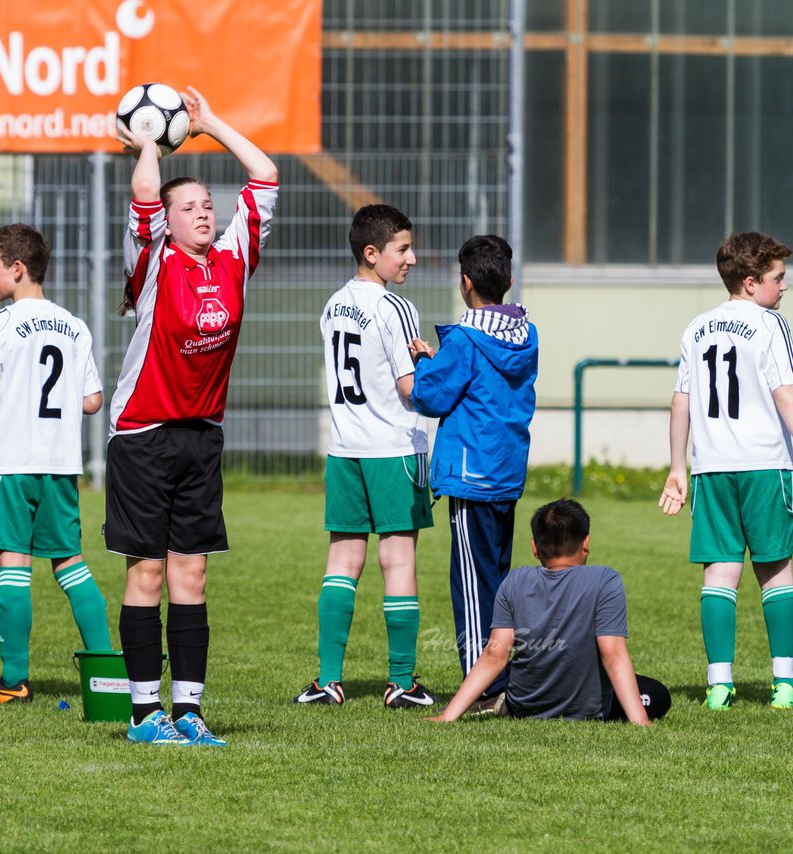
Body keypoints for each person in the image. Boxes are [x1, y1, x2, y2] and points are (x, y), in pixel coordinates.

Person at [109, 86, 277, 745]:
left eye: (209, 205)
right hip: (144, 433)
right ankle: (143, 714)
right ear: (168, 222)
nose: (204, 213)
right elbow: (144, 196)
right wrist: (149, 139)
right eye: (190, 206)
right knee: (146, 571)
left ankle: (189, 712)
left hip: (201, 436)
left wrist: (210, 125)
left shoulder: (234, 258)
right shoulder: (154, 260)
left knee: (193, 573)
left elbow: (263, 174)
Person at [659, 231, 793, 710]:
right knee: (776, 573)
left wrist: (677, 467)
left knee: (719, 576)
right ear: (750, 283)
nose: (784, 287)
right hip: (765, 464)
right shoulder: (769, 324)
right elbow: (786, 394)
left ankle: (719, 686)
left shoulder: (696, 327)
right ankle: (784, 685)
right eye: (777, 278)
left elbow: (680, 399)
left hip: (711, 469)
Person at [292, 204, 436, 709]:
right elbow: (409, 387)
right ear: (372, 253)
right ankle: (401, 682)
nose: (412, 259)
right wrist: (441, 368)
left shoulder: (333, 305)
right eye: (403, 249)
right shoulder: (395, 307)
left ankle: (328, 679)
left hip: (345, 449)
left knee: (342, 561)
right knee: (397, 558)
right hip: (394, 449)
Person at [0, 223, 111, 704]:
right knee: (71, 565)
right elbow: (92, 401)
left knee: (13, 566)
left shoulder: (0, 325)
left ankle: (13, 680)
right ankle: (110, 673)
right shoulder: (75, 326)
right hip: (60, 464)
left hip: (10, 464)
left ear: (17, 269)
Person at [410, 235, 538, 712]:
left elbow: (432, 396)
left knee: (471, 584)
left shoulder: (464, 338)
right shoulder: (529, 334)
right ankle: (506, 675)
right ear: (507, 281)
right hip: (506, 471)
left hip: (470, 474)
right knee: (500, 580)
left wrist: (425, 363)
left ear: (465, 283)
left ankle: (481, 685)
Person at [429, 499, 669, 724]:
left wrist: (448, 716)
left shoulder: (515, 580)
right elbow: (613, 654)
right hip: (585, 708)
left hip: (524, 705)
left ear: (535, 547)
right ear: (586, 543)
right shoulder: (605, 580)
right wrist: (641, 722)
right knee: (657, 695)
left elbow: (494, 655)